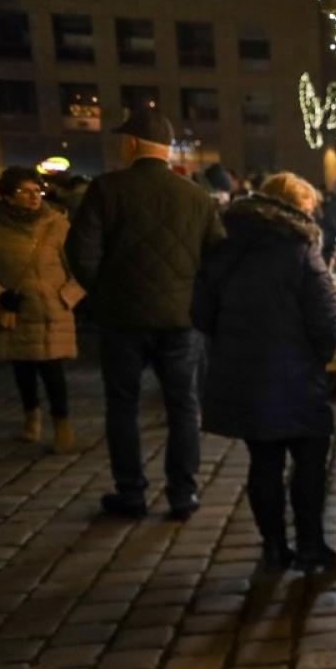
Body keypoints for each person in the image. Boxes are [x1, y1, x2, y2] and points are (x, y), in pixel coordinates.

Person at [67, 110, 224, 519]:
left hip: (123, 321)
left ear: (132, 144)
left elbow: (80, 251)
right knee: (184, 406)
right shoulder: (195, 195)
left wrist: (105, 294)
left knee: (122, 406)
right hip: (180, 319)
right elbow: (217, 257)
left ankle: (131, 491)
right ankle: (182, 492)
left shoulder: (107, 189)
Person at [193, 173, 336, 572]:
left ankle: (274, 548)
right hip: (296, 374)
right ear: (297, 208)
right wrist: (319, 357)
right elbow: (326, 316)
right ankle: (310, 546)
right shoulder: (299, 247)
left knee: (264, 462)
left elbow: (201, 312)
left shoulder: (226, 245)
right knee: (310, 461)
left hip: (245, 377)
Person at [0, 167, 84, 452]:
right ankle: (31, 418)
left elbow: (79, 269)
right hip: (15, 310)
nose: (34, 197)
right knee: (22, 368)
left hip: (51, 310)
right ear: (8, 196)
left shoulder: (56, 224)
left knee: (52, 369)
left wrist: (66, 298)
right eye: (26, 191)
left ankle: (62, 427)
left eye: (37, 190)